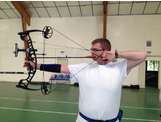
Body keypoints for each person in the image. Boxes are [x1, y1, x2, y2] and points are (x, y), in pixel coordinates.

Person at [26, 38, 146, 122]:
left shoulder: (120, 67)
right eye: (91, 49)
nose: (91, 52)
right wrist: (35, 65)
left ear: (105, 51)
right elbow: (59, 67)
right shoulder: (83, 67)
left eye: (95, 50)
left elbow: (143, 55)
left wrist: (116, 54)